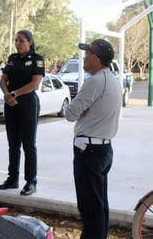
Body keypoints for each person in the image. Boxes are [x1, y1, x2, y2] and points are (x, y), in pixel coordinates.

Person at [65, 39, 122, 239]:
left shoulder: (95, 82)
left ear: (96, 59)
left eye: (87, 54)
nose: (84, 58)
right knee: (99, 206)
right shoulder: (112, 79)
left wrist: (81, 111)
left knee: (90, 209)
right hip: (103, 149)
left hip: (88, 151)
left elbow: (70, 113)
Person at [0, 30, 45, 196]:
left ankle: (31, 181)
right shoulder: (12, 59)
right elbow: (3, 79)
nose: (17, 43)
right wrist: (7, 95)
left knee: (28, 144)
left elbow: (35, 83)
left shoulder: (37, 59)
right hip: (10, 102)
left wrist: (15, 94)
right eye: (16, 40)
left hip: (27, 103)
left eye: (21, 41)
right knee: (13, 143)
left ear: (30, 42)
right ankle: (12, 178)